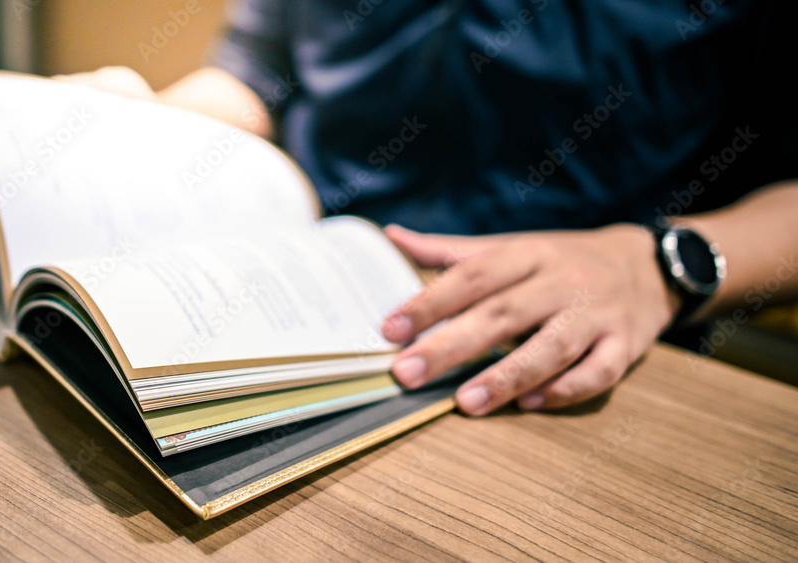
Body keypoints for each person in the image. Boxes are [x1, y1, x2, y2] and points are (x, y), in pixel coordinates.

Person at [58, 0, 798, 416]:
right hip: (290, 296)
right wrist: (154, 118)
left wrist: (658, 264)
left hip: (554, 363)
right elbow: (262, 77)